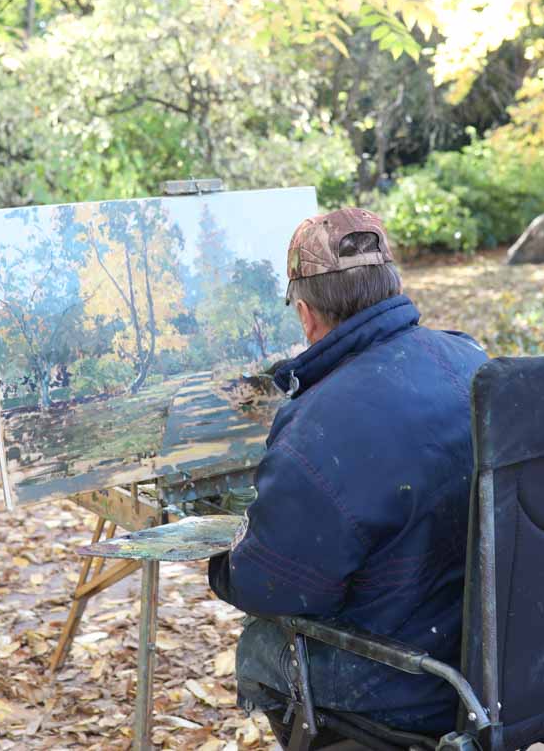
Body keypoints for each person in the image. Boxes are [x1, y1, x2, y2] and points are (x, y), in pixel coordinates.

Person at [208, 207, 488, 746]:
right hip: (495, 655)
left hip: (414, 684)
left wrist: (225, 562)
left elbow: (271, 588)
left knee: (263, 646)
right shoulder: (470, 357)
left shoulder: (317, 425)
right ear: (392, 288)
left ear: (307, 314)